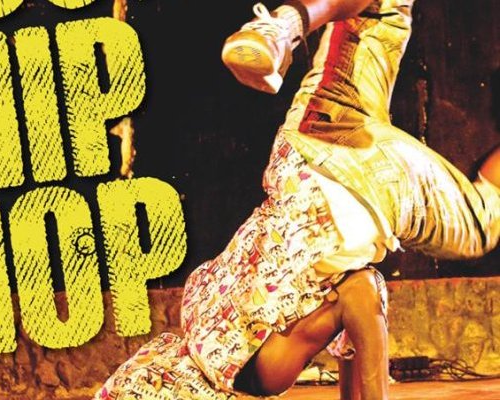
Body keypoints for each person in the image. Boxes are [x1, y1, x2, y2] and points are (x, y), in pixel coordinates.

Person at [96, 0, 500, 399]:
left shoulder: (259, 374)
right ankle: (283, 27)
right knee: (381, 10)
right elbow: (343, 311)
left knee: (483, 218)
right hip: (306, 141)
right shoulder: (201, 305)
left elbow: (360, 291)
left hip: (357, 195)